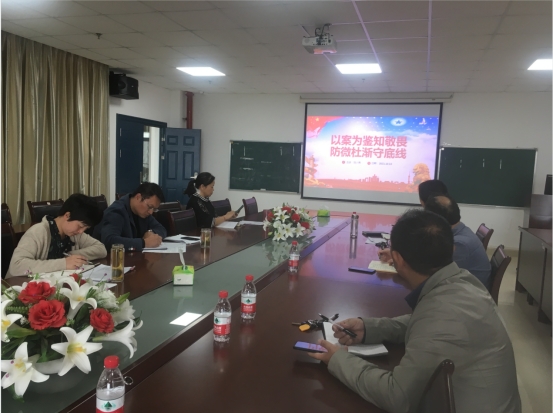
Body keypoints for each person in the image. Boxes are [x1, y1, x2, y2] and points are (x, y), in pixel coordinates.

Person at [308, 209, 521, 413]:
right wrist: (371, 328)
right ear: (451, 250)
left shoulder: (444, 315)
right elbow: (424, 322)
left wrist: (339, 360)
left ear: (398, 259)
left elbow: (397, 396)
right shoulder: (462, 280)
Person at [6, 194, 107, 278]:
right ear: (67, 215)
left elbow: (101, 249)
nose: (81, 231)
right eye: (80, 226)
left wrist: (71, 256)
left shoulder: (74, 234)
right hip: (19, 288)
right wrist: (64, 263)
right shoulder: (38, 232)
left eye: (85, 228)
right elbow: (16, 265)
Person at [424, 194, 492, 288]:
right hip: (467, 287)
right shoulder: (462, 231)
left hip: (470, 292)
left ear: (435, 220)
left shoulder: (459, 244)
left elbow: (443, 276)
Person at [93, 182, 167, 251]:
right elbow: (109, 240)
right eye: (150, 207)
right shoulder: (116, 212)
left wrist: (151, 232)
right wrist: (144, 243)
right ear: (138, 197)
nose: (151, 212)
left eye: (154, 209)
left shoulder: (143, 213)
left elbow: (162, 229)